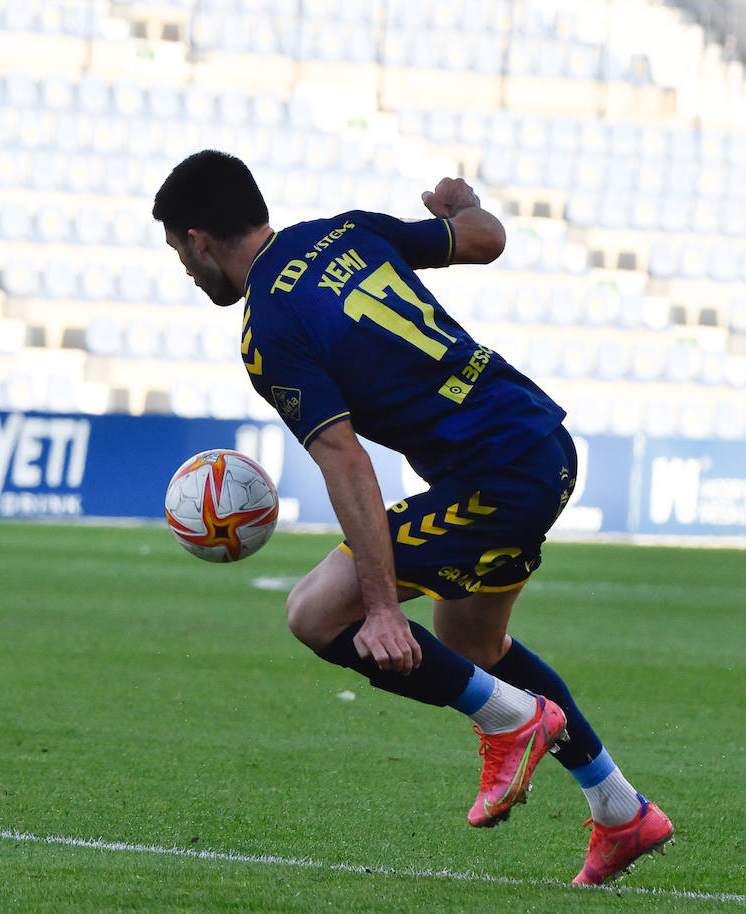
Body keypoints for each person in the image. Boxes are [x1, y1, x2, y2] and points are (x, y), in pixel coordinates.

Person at [152, 151, 672, 886]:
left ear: (201, 239)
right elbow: (485, 240)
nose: (183, 268)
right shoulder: (344, 232)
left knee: (314, 614)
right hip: (539, 444)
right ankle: (621, 812)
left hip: (495, 475)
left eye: (178, 250)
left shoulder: (267, 327)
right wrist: (460, 208)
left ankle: (509, 721)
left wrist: (380, 605)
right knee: (473, 643)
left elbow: (346, 462)